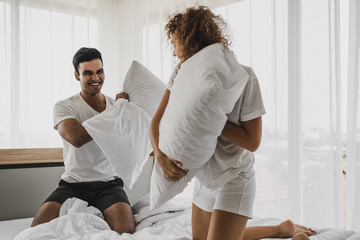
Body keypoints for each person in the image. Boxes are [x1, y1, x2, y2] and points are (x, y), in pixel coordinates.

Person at [149, 6, 316, 240]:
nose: (175, 53)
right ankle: (281, 229)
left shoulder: (245, 77)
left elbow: (253, 141)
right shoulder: (180, 74)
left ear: (190, 41)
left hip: (235, 177)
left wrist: (213, 115)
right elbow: (156, 120)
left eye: (176, 44)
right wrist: (159, 155)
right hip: (205, 177)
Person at [31, 47, 134, 235]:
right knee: (37, 229)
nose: (96, 77)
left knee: (126, 230)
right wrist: (116, 112)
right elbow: (76, 138)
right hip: (73, 184)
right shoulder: (65, 106)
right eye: (88, 73)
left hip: (109, 183)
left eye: (99, 71)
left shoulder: (116, 106)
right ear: (77, 76)